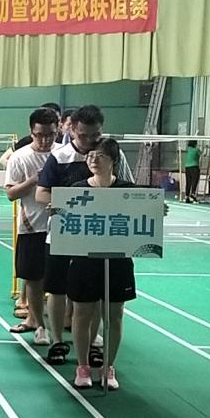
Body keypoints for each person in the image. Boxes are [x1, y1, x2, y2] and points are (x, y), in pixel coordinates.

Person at [35, 105, 134, 365]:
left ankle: (92, 343)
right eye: (83, 135)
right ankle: (57, 341)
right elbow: (41, 193)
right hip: (62, 233)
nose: (90, 140)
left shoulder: (112, 154)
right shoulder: (59, 156)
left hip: (100, 237)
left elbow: (129, 192)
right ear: (71, 130)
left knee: (96, 293)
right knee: (57, 289)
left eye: (95, 134)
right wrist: (65, 205)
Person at [65, 139, 136, 391]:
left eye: (101, 156)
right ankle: (83, 367)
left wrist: (157, 210)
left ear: (113, 160)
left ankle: (108, 367)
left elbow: (140, 218)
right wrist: (58, 212)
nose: (94, 160)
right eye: (91, 155)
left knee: (115, 315)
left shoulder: (128, 190)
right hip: (84, 261)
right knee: (82, 314)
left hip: (118, 261)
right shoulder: (77, 190)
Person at [5, 108, 60, 346]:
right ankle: (39, 326)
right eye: (39, 135)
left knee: (62, 282)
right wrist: (35, 179)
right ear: (31, 131)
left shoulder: (63, 154)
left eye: (51, 134)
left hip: (61, 228)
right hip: (31, 227)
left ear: (58, 130)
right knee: (33, 280)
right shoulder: (20, 157)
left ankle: (66, 326)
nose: (45, 140)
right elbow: (10, 193)